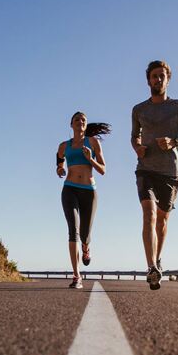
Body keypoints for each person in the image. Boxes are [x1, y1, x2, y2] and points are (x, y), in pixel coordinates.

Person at [131, 60, 178, 290]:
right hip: (145, 168)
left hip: (170, 172)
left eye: (162, 76)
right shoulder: (139, 109)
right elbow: (134, 136)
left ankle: (157, 259)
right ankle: (151, 268)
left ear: (168, 79)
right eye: (154, 76)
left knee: (162, 220)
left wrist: (174, 142)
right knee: (148, 213)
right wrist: (137, 147)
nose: (158, 80)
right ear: (148, 80)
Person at [56, 112, 110, 289]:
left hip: (89, 191)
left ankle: (86, 247)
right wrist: (59, 168)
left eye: (83, 120)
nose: (80, 122)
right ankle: (76, 275)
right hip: (69, 189)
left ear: (86, 126)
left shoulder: (93, 143)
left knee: (85, 234)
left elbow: (103, 170)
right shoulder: (64, 145)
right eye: (77, 120)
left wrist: (90, 159)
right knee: (73, 230)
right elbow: (59, 158)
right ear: (71, 124)